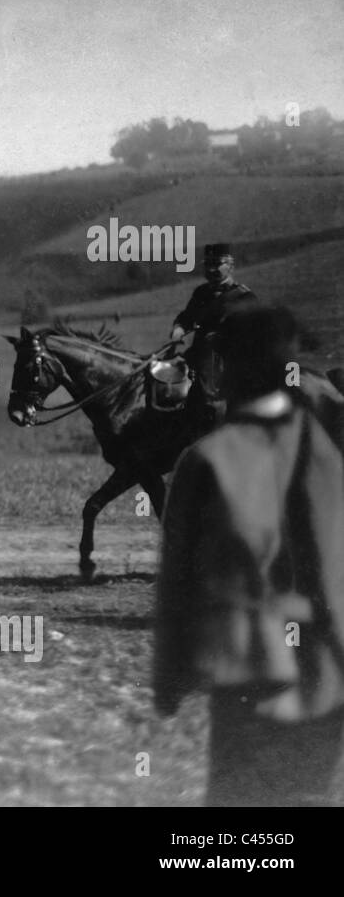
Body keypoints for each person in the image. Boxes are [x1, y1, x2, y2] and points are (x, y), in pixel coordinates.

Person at [155, 306, 344, 807]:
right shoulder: (324, 453)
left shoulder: (204, 460)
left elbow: (177, 582)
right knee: (310, 795)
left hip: (246, 670)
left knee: (237, 815)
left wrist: (170, 675)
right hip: (325, 672)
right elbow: (333, 567)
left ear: (231, 367)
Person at [169, 242, 256, 427]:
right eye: (208, 265)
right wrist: (179, 330)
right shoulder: (201, 293)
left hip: (229, 364)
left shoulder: (244, 297)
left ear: (231, 266)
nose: (211, 269)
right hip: (198, 359)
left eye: (217, 264)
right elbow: (186, 317)